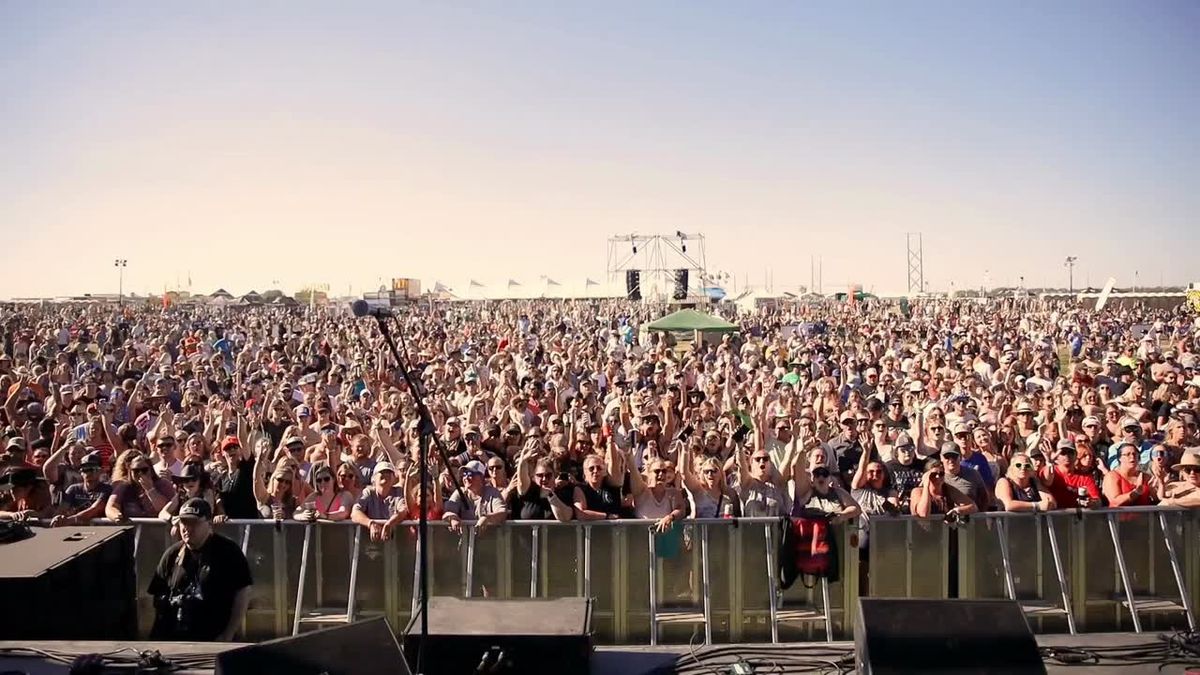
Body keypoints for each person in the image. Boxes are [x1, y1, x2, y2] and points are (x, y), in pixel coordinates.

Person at [148, 498, 252, 641]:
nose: (186, 528)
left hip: (213, 639)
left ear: (209, 524)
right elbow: (154, 596)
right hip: (174, 639)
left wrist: (228, 634)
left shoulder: (228, 552)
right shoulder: (172, 554)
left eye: (193, 523)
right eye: (183, 523)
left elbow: (243, 593)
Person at [50, 451, 112, 526]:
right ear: (80, 472)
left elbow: (94, 509)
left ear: (101, 471)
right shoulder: (73, 489)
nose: (88, 473)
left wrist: (70, 520)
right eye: (85, 469)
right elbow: (61, 509)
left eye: (92, 469)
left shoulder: (106, 489)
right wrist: (58, 518)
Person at [910, 458, 976, 518]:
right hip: (922, 530)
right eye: (933, 475)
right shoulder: (917, 491)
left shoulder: (948, 489)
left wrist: (958, 510)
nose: (938, 477)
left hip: (944, 530)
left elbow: (973, 507)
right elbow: (923, 514)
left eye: (941, 474)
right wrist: (926, 486)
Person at [1103, 441, 1157, 507]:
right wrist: (1136, 492)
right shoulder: (1112, 476)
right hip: (1120, 515)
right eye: (1127, 454)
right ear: (1120, 458)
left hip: (1144, 515)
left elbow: (1156, 501)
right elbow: (1115, 502)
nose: (1132, 456)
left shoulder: (1145, 477)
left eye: (1134, 454)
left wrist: (1154, 490)